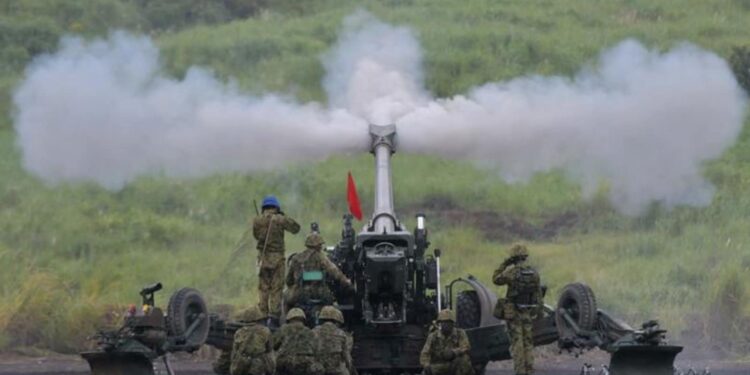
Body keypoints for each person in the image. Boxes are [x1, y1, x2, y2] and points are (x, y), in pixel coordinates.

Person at [492, 244, 542, 375]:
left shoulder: (512, 272)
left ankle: (520, 372)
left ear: (513, 258)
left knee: (517, 344)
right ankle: (529, 371)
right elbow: (538, 294)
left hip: (514, 312)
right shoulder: (534, 273)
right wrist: (537, 311)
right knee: (528, 343)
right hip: (527, 312)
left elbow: (496, 279)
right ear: (525, 257)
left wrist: (504, 264)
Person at [252, 194, 300, 327]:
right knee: (276, 288)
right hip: (277, 258)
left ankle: (262, 315)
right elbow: (296, 228)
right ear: (276, 207)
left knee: (263, 288)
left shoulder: (257, 220)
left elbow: (256, 236)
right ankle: (273, 318)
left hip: (262, 258)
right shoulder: (279, 219)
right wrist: (283, 216)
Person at [285, 232, 353, 311]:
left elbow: (288, 280)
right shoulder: (320, 257)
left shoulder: (296, 258)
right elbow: (334, 272)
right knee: (333, 304)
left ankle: (289, 319)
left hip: (300, 293)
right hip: (318, 293)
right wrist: (347, 283)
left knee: (286, 299)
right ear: (318, 246)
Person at [419, 309, 474, 375]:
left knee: (464, 360)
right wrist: (426, 365)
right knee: (425, 372)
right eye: (444, 322)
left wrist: (454, 352)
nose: (446, 324)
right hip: (439, 365)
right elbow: (425, 353)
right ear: (440, 323)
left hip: (455, 364)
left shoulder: (460, 333)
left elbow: (466, 346)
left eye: (448, 322)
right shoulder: (433, 336)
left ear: (453, 323)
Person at [273, 308, 323, 375]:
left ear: (289, 319)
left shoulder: (283, 329)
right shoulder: (309, 332)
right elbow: (316, 349)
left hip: (285, 363)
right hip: (305, 363)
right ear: (303, 319)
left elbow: (273, 345)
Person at [230, 306, 274, 375]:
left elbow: (234, 352)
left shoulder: (239, 332)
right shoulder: (265, 331)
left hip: (241, 364)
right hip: (257, 366)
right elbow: (269, 350)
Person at [313, 306, 355, 375]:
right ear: (337, 320)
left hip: (318, 370)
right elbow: (347, 357)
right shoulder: (341, 333)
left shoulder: (314, 332)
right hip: (336, 370)